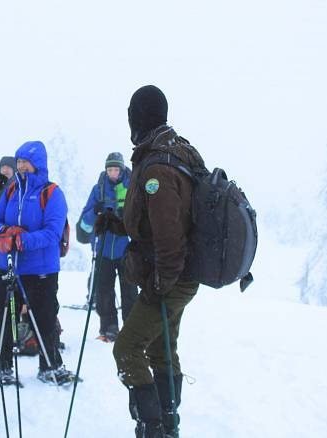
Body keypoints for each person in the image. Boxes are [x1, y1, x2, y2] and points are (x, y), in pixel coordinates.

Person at [112, 85, 206, 437]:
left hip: (170, 278)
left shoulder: (157, 170)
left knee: (127, 349)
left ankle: (152, 427)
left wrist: (158, 285)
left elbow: (168, 235)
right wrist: (118, 222)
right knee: (160, 349)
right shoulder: (175, 150)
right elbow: (159, 220)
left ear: (140, 118)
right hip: (179, 276)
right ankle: (168, 424)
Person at [0, 141, 75, 385]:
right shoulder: (11, 190)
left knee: (45, 319)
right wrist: (4, 231)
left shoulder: (52, 193)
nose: (21, 166)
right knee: (4, 317)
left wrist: (20, 240)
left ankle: (50, 366)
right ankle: (2, 366)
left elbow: (52, 233)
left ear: (38, 164)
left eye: (26, 161)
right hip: (10, 266)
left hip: (41, 269)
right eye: (19, 161)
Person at [79, 152, 138, 342]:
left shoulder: (132, 188)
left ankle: (131, 327)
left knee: (129, 290)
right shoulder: (99, 189)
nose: (113, 173)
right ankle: (109, 327)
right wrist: (95, 212)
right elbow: (85, 223)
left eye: (116, 169)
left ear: (121, 169)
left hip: (126, 249)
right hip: (103, 249)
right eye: (109, 169)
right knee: (104, 291)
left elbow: (140, 217)